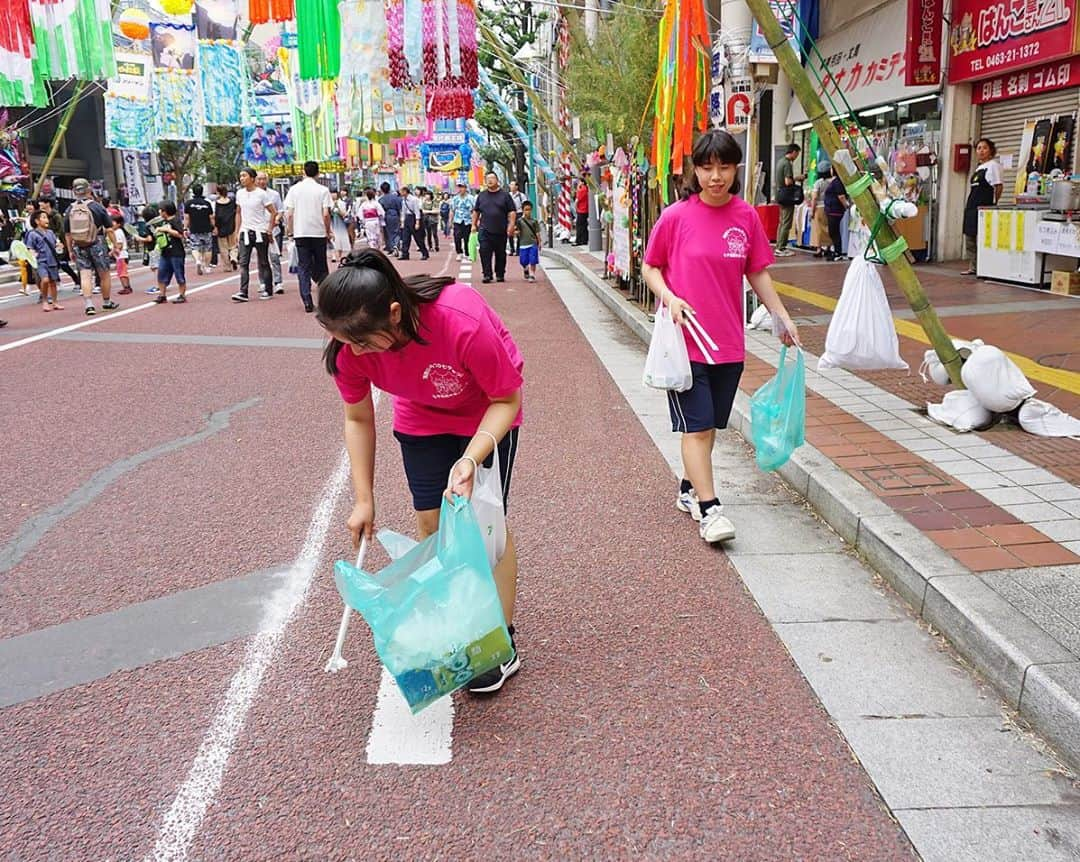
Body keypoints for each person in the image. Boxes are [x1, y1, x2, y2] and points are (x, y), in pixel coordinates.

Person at [316, 248, 525, 694]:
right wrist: (364, 499)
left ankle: (501, 643)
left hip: (486, 414)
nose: (353, 352)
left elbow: (507, 400)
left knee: (483, 527)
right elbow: (357, 419)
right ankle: (462, 621)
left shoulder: (460, 320)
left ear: (395, 314)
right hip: (422, 418)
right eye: (344, 341)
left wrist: (470, 458)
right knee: (434, 526)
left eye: (363, 341)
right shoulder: (348, 352)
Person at [641, 128, 800, 545]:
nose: (716, 176)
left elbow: (757, 272)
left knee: (711, 425)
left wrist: (781, 316)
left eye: (724, 166)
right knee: (695, 427)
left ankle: (690, 488)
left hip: (728, 342)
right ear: (695, 170)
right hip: (685, 341)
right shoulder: (676, 217)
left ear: (735, 169)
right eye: (707, 167)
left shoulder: (745, 216)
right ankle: (711, 511)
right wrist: (670, 298)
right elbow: (650, 267)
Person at [63, 178, 119, 316]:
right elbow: (109, 229)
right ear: (89, 190)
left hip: (79, 245)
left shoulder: (70, 209)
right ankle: (106, 302)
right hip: (97, 242)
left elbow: (68, 233)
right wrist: (115, 245)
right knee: (104, 273)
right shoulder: (96, 206)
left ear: (74, 191)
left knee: (85, 274)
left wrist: (70, 250)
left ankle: (89, 305)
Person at [283, 160, 333, 313]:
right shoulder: (323, 190)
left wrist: (290, 231)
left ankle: (307, 301)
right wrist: (328, 231)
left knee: (303, 267)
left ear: (303, 172)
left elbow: (290, 214)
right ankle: (326, 300)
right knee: (322, 265)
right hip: (318, 233)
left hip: (301, 233)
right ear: (318, 173)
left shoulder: (294, 190)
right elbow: (326, 214)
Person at [232, 167, 277, 302]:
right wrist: (237, 231)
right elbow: (238, 212)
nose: (241, 179)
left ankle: (268, 289)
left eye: (244, 176)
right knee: (243, 262)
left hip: (260, 231)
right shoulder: (239, 193)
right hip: (245, 231)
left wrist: (269, 228)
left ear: (252, 178)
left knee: (263, 261)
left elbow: (273, 212)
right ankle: (243, 292)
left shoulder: (261, 194)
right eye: (240, 176)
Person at [962, 137, 1003, 276]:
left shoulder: (993, 166)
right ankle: (973, 266)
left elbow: (998, 186)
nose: (981, 151)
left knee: (983, 239)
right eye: (979, 148)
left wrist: (993, 203)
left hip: (984, 208)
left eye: (985, 148)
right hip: (971, 208)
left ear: (991, 150)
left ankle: (984, 268)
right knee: (970, 239)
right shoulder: (979, 168)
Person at [472, 172, 517, 283]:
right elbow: (476, 211)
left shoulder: (505, 195)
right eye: (487, 179)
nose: (490, 180)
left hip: (501, 230)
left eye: (492, 178)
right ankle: (487, 274)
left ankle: (500, 273)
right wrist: (473, 224)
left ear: (497, 180)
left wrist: (511, 225)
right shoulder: (481, 195)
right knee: (484, 252)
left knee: (500, 253)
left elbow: (512, 211)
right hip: (484, 229)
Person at [25, 210, 64, 312]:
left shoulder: (50, 232)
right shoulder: (32, 234)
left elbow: (55, 244)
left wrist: (59, 246)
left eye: (46, 217)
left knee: (53, 282)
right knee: (45, 280)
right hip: (41, 261)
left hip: (52, 260)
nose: (47, 220)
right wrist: (32, 254)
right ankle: (45, 300)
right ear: (37, 221)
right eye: (43, 217)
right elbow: (29, 247)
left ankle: (55, 302)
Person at [35, 198, 79, 288]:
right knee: (54, 263)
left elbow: (61, 230)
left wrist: (53, 236)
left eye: (42, 202)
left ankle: (76, 280)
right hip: (48, 243)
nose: (40, 204)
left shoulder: (56, 216)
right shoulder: (43, 215)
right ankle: (57, 281)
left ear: (48, 204)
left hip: (59, 243)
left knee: (63, 263)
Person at [152, 201, 189, 303]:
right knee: (161, 273)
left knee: (179, 274)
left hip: (176, 252)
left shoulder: (175, 220)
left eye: (161, 210)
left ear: (166, 211)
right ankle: (162, 295)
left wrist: (166, 230)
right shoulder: (162, 222)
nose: (159, 212)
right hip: (165, 252)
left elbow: (180, 234)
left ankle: (182, 295)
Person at [256, 172, 285, 291]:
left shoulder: (274, 194)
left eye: (264, 179)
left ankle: (278, 282)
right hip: (259, 230)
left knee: (275, 257)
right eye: (259, 179)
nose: (262, 181)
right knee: (261, 257)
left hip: (274, 229)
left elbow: (280, 210)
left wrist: (277, 219)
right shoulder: (251, 194)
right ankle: (263, 282)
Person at [773, 143, 803, 256]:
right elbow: (788, 182)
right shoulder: (787, 164)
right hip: (787, 196)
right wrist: (797, 178)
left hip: (780, 195)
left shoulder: (780, 162)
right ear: (794, 152)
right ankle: (781, 248)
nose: (797, 156)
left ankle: (779, 245)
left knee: (782, 222)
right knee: (786, 222)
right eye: (797, 154)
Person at [185, 183, 216, 276]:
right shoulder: (207, 203)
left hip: (194, 228)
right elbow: (211, 217)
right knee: (208, 248)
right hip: (207, 228)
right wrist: (214, 227)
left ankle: (198, 260)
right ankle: (207, 267)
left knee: (195, 247)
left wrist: (185, 228)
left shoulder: (189, 203)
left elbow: (187, 218)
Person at [822, 168, 850, 261]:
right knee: (833, 231)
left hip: (835, 210)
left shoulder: (838, 182)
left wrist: (846, 206)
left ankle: (838, 252)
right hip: (832, 209)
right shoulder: (836, 181)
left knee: (834, 231)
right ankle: (837, 251)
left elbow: (841, 196)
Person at [398, 186, 428, 261]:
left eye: (401, 191)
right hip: (407, 219)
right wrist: (402, 222)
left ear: (405, 191)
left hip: (414, 218)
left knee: (418, 238)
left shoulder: (414, 200)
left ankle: (424, 253)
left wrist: (417, 222)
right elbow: (403, 212)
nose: (400, 193)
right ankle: (405, 254)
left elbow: (417, 211)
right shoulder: (403, 200)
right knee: (405, 237)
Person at [515, 199, 541, 282]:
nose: (528, 212)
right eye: (526, 210)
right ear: (522, 210)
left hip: (533, 243)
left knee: (533, 260)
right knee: (523, 260)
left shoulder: (534, 221)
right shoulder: (519, 221)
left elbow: (537, 233)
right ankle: (525, 268)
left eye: (529, 210)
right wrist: (515, 232)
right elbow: (516, 231)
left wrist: (539, 242)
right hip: (523, 244)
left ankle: (532, 274)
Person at [213, 188, 238, 271]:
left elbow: (215, 216)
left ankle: (227, 266)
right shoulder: (232, 202)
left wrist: (215, 227)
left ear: (218, 192)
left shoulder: (217, 203)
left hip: (221, 227)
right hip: (231, 226)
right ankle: (233, 257)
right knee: (233, 245)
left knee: (223, 247)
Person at [808, 167, 831, 258]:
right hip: (828, 207)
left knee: (818, 229)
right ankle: (828, 247)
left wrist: (812, 211)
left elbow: (814, 198)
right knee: (827, 228)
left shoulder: (818, 183)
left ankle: (819, 249)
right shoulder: (830, 182)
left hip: (819, 207)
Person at [356, 187, 385, 251]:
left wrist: (363, 221)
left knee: (370, 237)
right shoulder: (376, 203)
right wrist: (381, 221)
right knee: (377, 236)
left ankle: (372, 248)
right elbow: (382, 213)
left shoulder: (364, 204)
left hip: (368, 222)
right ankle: (376, 248)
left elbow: (359, 214)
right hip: (376, 221)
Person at [452, 181, 474, 260]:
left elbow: (474, 210)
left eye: (462, 187)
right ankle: (459, 252)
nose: (460, 189)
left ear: (466, 188)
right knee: (457, 237)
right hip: (457, 220)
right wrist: (451, 221)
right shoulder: (455, 198)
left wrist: (475, 222)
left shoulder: (471, 198)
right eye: (459, 187)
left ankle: (467, 253)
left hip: (467, 221)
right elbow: (452, 210)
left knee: (467, 238)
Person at [378, 182, 402, 255]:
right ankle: (396, 244)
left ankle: (391, 247)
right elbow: (400, 208)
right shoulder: (396, 198)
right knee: (396, 231)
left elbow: (380, 210)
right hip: (395, 215)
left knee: (387, 232)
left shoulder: (381, 199)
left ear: (381, 190)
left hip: (386, 216)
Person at [111, 215, 132, 293]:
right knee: (124, 272)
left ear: (118, 224)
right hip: (123, 255)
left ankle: (126, 287)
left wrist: (112, 251)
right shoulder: (118, 231)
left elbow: (119, 245)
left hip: (121, 255)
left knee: (122, 273)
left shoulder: (117, 232)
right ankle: (128, 286)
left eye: (113, 222)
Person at [330, 190, 351, 265]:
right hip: (332, 223)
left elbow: (344, 214)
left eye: (334, 194)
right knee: (333, 240)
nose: (333, 195)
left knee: (340, 239)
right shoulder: (328, 204)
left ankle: (338, 255)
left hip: (340, 224)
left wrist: (338, 208)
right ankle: (334, 256)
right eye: (331, 194)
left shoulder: (341, 203)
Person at [507, 180, 525, 254]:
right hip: (510, 215)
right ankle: (512, 249)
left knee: (518, 232)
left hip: (519, 214)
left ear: (516, 186)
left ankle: (518, 249)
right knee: (510, 232)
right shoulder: (508, 195)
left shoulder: (521, 196)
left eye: (513, 185)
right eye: (510, 185)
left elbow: (525, 206)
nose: (511, 186)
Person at [574, 175, 589, 246]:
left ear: (582, 182)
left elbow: (577, 199)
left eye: (579, 181)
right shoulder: (586, 189)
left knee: (579, 225)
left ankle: (579, 240)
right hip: (584, 209)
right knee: (583, 225)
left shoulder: (582, 189)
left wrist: (577, 188)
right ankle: (584, 240)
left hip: (582, 209)